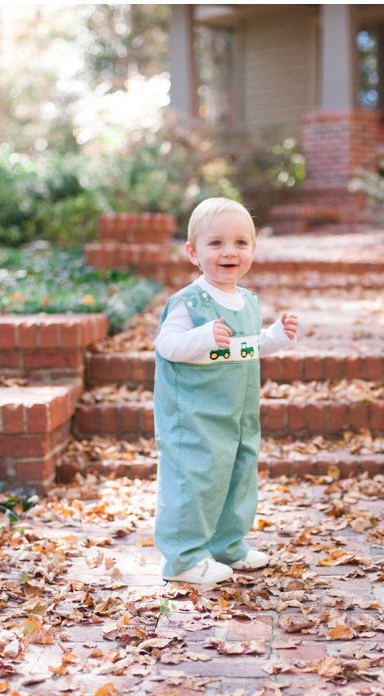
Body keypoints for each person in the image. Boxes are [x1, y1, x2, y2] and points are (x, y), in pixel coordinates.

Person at [153, 198, 300, 585]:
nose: (229, 251)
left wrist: (276, 336)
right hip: (195, 415)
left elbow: (249, 347)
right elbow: (167, 346)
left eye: (240, 242)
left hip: (238, 413)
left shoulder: (248, 301)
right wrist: (202, 336)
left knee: (237, 475)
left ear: (253, 249)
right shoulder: (189, 302)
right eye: (215, 243)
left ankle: (226, 545)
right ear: (193, 253)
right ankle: (183, 558)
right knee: (195, 478)